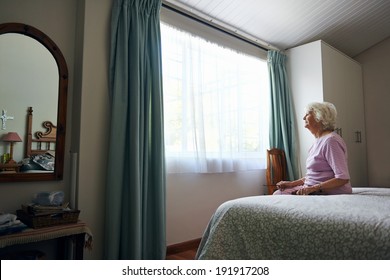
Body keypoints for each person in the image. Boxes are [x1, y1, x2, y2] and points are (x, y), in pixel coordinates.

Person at [273, 101, 352, 195]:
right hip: (312, 189)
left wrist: (313, 188)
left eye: (307, 114)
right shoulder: (318, 141)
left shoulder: (331, 141)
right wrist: (291, 184)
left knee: (278, 195)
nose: (303, 118)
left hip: (327, 191)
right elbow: (313, 176)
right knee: (278, 193)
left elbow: (342, 178)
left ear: (319, 117)